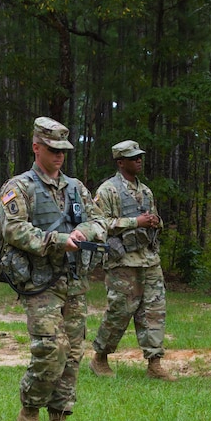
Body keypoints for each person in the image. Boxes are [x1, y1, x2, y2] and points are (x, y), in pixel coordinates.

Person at [0, 116, 107, 421]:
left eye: (63, 150)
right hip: (40, 282)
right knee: (50, 348)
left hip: (73, 281)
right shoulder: (19, 187)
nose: (59, 155)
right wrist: (57, 240)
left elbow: (101, 222)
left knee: (72, 352)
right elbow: (13, 228)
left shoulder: (76, 188)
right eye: (52, 149)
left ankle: (59, 419)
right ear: (36, 147)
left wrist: (82, 231)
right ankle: (29, 411)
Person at [89, 140, 175, 381]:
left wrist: (156, 222)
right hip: (123, 262)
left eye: (140, 156)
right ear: (120, 162)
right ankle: (100, 358)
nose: (139, 160)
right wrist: (134, 222)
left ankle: (154, 363)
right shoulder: (108, 191)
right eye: (133, 157)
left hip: (149, 260)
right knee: (120, 311)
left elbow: (155, 218)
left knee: (154, 310)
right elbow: (100, 224)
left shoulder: (146, 191)